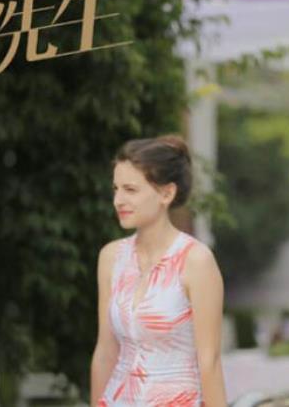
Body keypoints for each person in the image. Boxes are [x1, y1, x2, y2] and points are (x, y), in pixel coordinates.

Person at [91, 134, 227, 407]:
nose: (118, 200)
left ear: (167, 193)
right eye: (116, 189)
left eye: (130, 190)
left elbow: (209, 360)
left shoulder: (196, 261)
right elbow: (105, 351)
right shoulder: (111, 257)